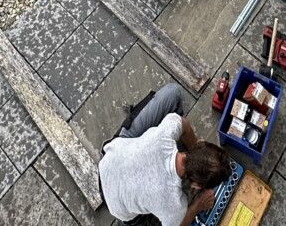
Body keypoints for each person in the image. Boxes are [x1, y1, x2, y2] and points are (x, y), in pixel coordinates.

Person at [99, 82, 232, 226]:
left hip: (110, 159)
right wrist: (197, 206)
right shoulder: (173, 205)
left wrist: (197, 150)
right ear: (197, 185)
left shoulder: (166, 133)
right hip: (117, 205)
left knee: (172, 92)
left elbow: (184, 125)